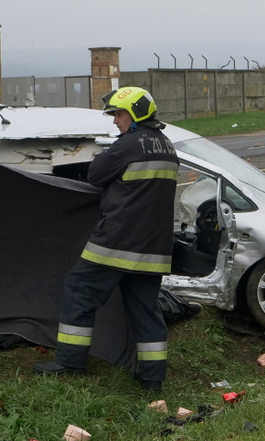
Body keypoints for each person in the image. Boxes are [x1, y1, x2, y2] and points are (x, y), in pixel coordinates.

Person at [34, 87, 179, 394]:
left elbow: (96, 175)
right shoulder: (166, 145)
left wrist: (104, 153)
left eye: (120, 114)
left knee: (78, 290)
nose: (115, 121)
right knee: (146, 311)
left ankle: (70, 362)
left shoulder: (128, 145)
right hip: (153, 249)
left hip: (116, 243)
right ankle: (152, 379)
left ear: (137, 114)